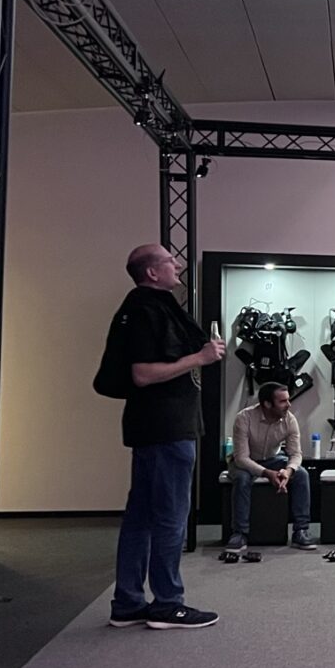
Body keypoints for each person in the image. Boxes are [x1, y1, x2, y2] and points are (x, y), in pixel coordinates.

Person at [103, 243, 223, 630]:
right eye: (170, 261)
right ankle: (167, 603)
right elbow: (142, 374)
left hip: (156, 427)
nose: (178, 265)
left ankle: (128, 603)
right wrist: (200, 358)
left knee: (141, 517)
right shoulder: (146, 311)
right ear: (152, 273)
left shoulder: (143, 308)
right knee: (170, 517)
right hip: (166, 430)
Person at [227, 382, 316, 551]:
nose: (288, 405)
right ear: (267, 404)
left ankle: (301, 531)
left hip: (273, 458)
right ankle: (239, 533)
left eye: (288, 400)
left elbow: (296, 454)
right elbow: (241, 458)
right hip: (245, 461)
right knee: (242, 478)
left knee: (301, 474)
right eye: (283, 401)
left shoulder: (290, 419)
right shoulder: (244, 418)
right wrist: (267, 473)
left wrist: (288, 471)